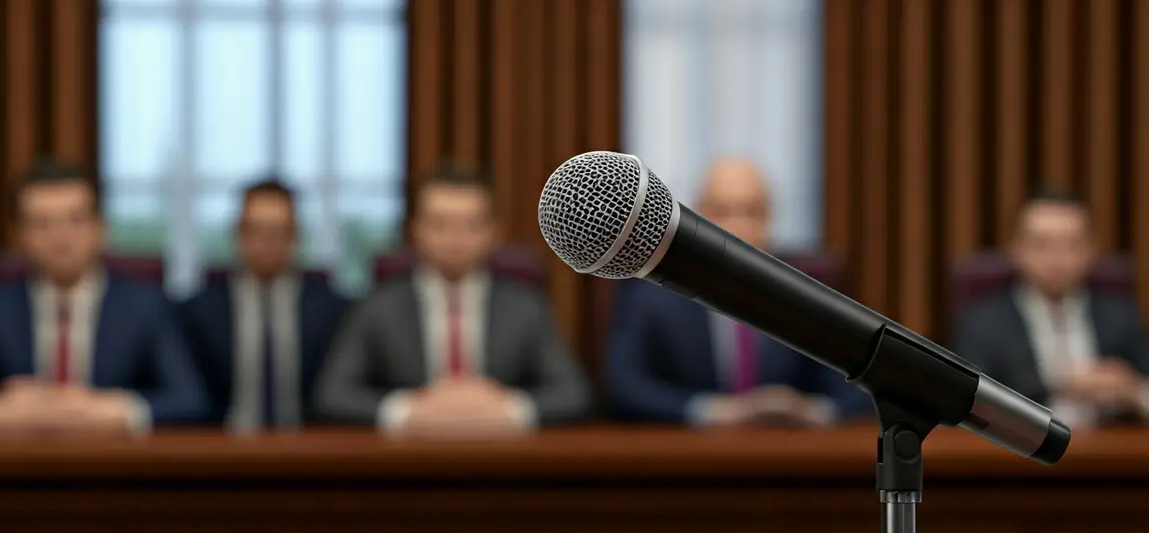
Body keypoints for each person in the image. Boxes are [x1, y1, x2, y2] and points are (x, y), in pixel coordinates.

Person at [315, 163, 591, 434]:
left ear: (493, 232)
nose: (454, 237)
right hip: (407, 461)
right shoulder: (378, 306)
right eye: (439, 223)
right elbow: (333, 394)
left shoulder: (525, 307)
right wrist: (407, 410)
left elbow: (572, 393)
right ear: (416, 229)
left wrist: (508, 407)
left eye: (470, 224)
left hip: (502, 460)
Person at [0, 158, 208, 436]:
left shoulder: (146, 306)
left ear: (101, 227)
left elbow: (190, 400)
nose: (60, 238)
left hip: (116, 466)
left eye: (75, 220)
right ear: (20, 235)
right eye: (41, 223)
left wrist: (112, 408)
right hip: (20, 466)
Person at [605, 158, 870, 426]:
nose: (740, 227)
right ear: (695, 217)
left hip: (787, 455)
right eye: (723, 211)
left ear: (770, 218)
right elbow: (625, 389)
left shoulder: (805, 294)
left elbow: (859, 388)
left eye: (753, 212)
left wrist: (808, 411)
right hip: (686, 459)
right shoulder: (650, 294)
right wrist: (710, 411)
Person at [954, 188, 1149, 428]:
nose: (1057, 257)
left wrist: (1132, 390)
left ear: (1092, 249)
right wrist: (1061, 386)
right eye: (1042, 244)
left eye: (1071, 244)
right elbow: (969, 402)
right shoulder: (982, 322)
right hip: (1015, 455)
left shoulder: (1119, 314)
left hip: (1107, 453)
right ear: (1016, 249)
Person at [178, 179, 349, 429]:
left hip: (309, 452)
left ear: (296, 236)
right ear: (238, 234)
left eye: (279, 231)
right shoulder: (197, 313)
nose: (267, 242)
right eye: (256, 230)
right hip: (222, 453)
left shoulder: (333, 311)